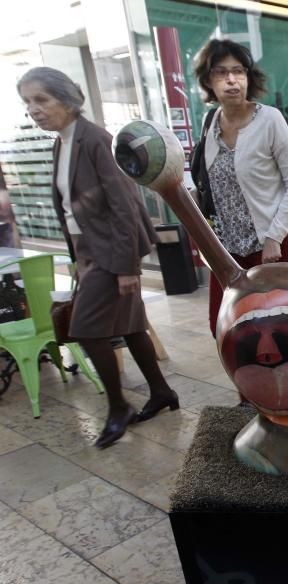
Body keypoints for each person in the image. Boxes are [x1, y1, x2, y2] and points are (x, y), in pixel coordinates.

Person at [17, 67, 177, 449]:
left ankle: (119, 406)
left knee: (86, 328)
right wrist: (76, 257)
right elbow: (70, 206)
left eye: (41, 99)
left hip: (112, 250)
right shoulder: (63, 140)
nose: (34, 110)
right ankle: (161, 391)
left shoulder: (96, 140)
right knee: (132, 323)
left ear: (68, 100)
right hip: (90, 250)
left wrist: (127, 267)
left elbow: (124, 205)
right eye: (27, 103)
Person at [193, 39, 288, 339]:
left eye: (238, 71)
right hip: (227, 252)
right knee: (227, 328)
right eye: (221, 73)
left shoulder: (269, 120)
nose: (231, 80)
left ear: (248, 77)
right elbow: (207, 188)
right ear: (208, 81)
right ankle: (250, 388)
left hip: (271, 248)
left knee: (280, 330)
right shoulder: (209, 125)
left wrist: (273, 238)